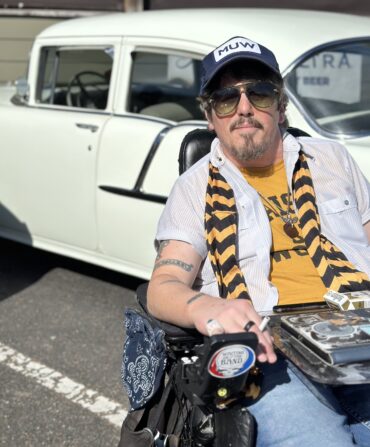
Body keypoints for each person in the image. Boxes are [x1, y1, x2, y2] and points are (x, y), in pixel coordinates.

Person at [147, 36, 370, 446]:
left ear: (281, 106)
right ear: (210, 116)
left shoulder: (333, 160)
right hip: (268, 348)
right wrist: (212, 309)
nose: (244, 108)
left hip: (359, 333)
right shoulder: (193, 189)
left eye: (260, 93)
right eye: (226, 98)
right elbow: (162, 288)